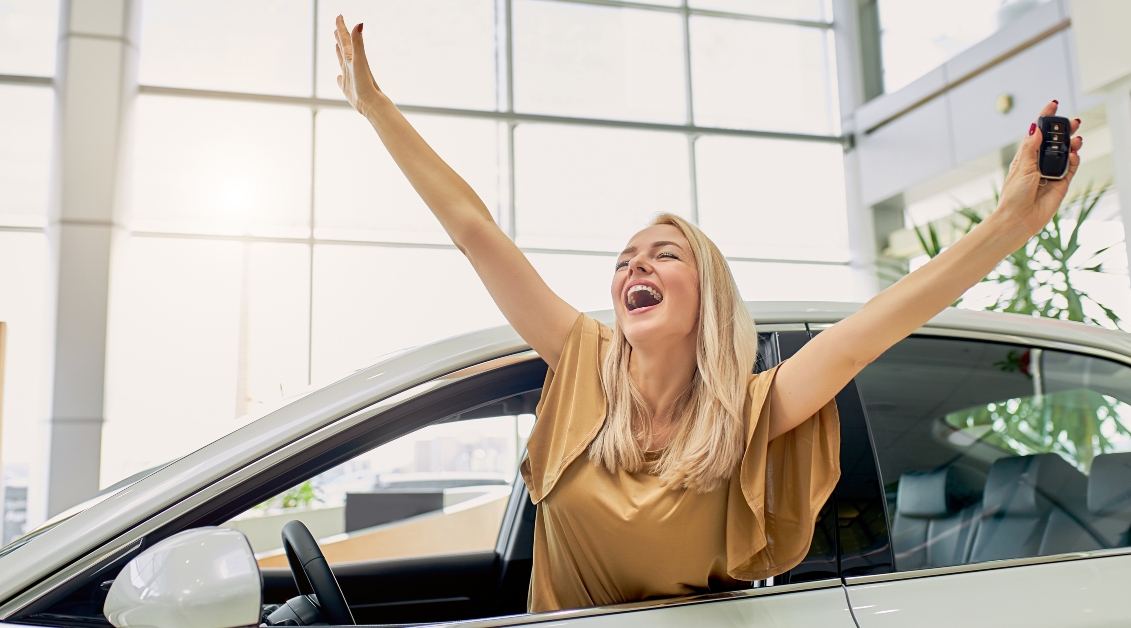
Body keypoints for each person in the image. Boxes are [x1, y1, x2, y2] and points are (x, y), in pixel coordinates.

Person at [331, 16, 1083, 613]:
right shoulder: (582, 363)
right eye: (625, 257)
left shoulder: (753, 413)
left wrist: (1011, 223)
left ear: (707, 299)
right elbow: (475, 230)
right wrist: (376, 108)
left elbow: (876, 328)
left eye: (664, 254)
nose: (635, 266)